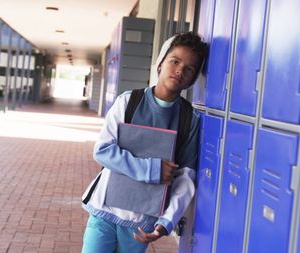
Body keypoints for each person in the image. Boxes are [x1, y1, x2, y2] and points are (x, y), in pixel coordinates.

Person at [81, 32, 208, 253]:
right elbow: (102, 150)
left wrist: (166, 221)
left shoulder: (189, 120)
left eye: (189, 69)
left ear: (194, 78)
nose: (180, 70)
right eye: (175, 61)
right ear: (160, 63)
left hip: (142, 222)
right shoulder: (129, 101)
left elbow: (185, 178)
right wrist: (152, 169)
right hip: (105, 210)